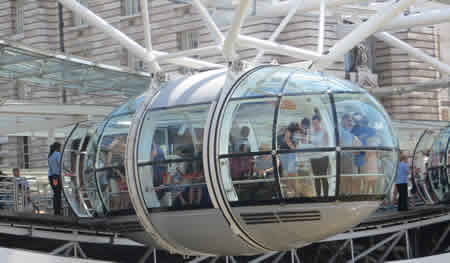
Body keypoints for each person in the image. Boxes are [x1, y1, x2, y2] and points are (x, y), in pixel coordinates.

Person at [310, 109, 330, 197]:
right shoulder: (311, 132)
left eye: (316, 123)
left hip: (323, 157)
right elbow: (309, 144)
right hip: (314, 157)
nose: (315, 125)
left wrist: (317, 145)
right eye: (313, 123)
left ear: (319, 122)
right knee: (316, 178)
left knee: (323, 177)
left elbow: (327, 144)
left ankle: (326, 196)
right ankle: (318, 196)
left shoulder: (324, 132)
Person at [48, 142, 62, 215]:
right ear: (58, 147)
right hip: (55, 177)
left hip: (51, 177)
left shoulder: (50, 155)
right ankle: (58, 210)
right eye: (60, 147)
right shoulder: (57, 154)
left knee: (56, 193)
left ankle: (56, 210)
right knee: (58, 193)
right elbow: (61, 164)